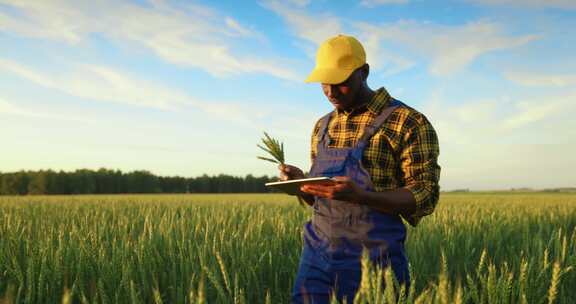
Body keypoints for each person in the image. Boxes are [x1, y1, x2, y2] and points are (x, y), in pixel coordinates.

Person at [279, 34, 441, 303]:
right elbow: (319, 200)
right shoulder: (322, 125)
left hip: (377, 265)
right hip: (316, 261)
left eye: (340, 82)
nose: (330, 91)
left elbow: (425, 196)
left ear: (363, 72)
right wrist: (301, 184)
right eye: (324, 83)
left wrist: (363, 196)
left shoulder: (409, 122)